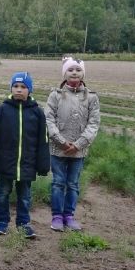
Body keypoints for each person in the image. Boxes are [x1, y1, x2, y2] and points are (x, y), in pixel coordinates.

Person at [0, 72, 50, 238]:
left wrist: (42, 165)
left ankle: (24, 223)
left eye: (23, 87)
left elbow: (43, 140)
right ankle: (2, 222)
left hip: (28, 163)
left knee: (25, 196)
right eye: (16, 86)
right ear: (11, 88)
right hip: (6, 162)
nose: (19, 90)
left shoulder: (37, 113)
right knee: (3, 193)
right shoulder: (3, 110)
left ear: (30, 90)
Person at [45, 57, 100, 232]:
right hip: (57, 150)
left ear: (83, 73)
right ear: (64, 73)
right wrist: (61, 141)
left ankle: (69, 216)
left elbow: (93, 124)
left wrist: (78, 144)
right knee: (58, 183)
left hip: (78, 151)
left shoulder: (91, 97)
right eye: (70, 70)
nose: (74, 73)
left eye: (78, 69)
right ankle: (56, 217)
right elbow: (49, 120)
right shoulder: (55, 95)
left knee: (73, 184)